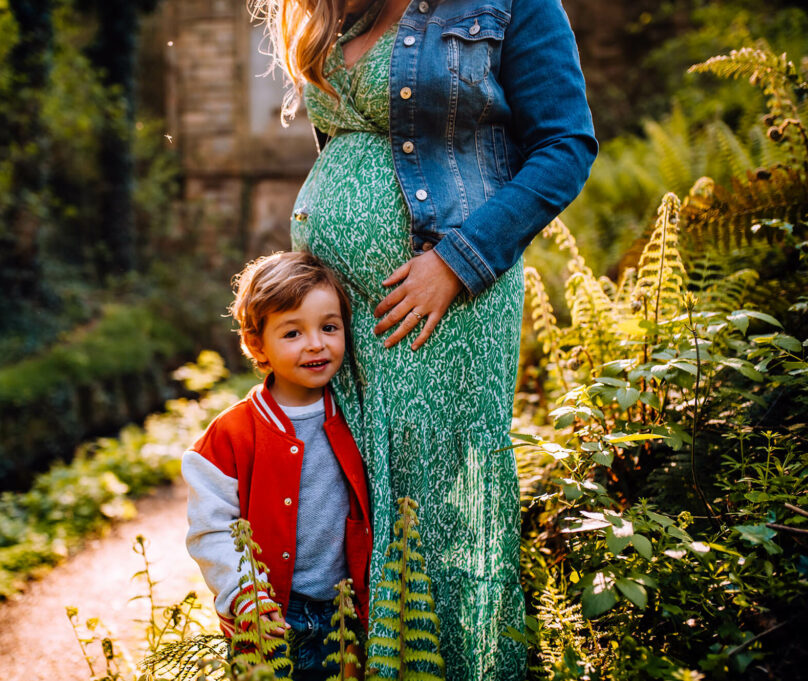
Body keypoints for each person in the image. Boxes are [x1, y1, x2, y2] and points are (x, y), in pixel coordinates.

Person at [253, 0, 598, 677]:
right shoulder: (346, 9)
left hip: (443, 302)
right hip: (341, 311)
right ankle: (365, 660)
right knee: (353, 491)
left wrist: (456, 261)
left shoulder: (513, 5)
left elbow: (565, 146)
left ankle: (457, 666)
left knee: (433, 503)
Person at [182, 251, 372, 680]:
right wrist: (244, 596)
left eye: (329, 327)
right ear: (257, 345)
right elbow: (210, 530)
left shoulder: (359, 418)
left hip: (349, 614)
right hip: (271, 621)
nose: (316, 344)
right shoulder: (231, 434)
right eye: (292, 333)